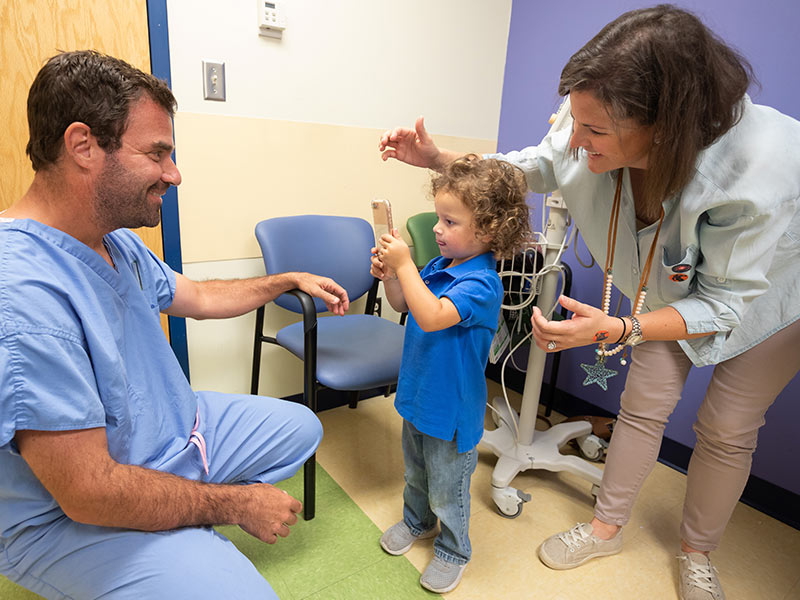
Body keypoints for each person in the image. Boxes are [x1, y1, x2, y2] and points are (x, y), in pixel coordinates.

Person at [377, 5, 800, 600]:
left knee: (727, 428)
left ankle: (697, 552)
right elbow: (539, 165)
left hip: (767, 297)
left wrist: (623, 325)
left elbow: (728, 302)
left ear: (666, 128)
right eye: (576, 121)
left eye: (594, 132)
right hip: (665, 292)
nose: (576, 142)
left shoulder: (762, 168)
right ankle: (606, 527)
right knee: (642, 406)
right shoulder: (589, 118)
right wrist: (444, 162)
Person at [0, 50, 351, 599]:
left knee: (303, 428)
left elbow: (198, 294)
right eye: (158, 154)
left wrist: (283, 280)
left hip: (165, 434)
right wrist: (235, 504)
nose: (174, 174)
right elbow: (87, 491)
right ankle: (174, 519)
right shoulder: (22, 294)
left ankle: (170, 502)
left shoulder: (113, 241)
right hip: (68, 513)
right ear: (83, 146)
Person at [371, 154, 531, 593]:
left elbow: (434, 316)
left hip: (452, 410)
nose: (437, 229)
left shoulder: (482, 284)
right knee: (415, 474)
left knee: (448, 487)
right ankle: (416, 522)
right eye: (438, 218)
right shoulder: (440, 267)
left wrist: (405, 265)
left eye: (449, 221)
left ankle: (453, 549)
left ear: (489, 231)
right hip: (418, 395)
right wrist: (391, 276)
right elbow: (405, 305)